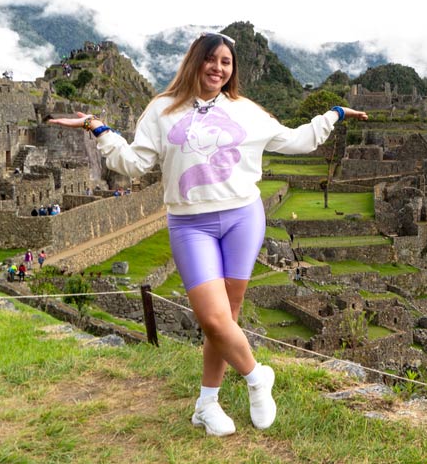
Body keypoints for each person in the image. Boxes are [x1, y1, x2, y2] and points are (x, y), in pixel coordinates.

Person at [49, 31, 367, 437]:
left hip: (242, 218)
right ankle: (256, 377)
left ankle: (207, 404)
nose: (218, 68)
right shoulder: (162, 111)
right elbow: (132, 164)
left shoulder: (246, 110)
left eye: (227, 62)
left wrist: (334, 113)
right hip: (190, 223)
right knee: (214, 320)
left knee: (226, 319)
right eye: (211, 60)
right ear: (195, 61)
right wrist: (98, 127)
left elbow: (296, 142)